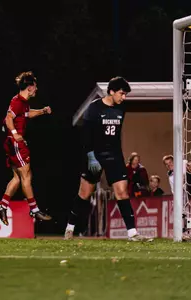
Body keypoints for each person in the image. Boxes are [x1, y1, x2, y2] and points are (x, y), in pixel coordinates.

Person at [64, 76, 152, 241]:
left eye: (125, 94)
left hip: (114, 156)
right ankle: (70, 228)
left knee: (122, 192)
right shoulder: (94, 108)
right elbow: (86, 135)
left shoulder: (121, 109)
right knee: (84, 193)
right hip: (94, 154)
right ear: (111, 91)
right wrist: (91, 156)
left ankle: (132, 233)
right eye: (121, 93)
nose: (123, 97)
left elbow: (115, 136)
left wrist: (118, 157)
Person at [0, 71, 52, 226]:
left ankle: (2, 205)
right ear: (29, 87)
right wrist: (15, 134)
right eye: (35, 86)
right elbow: (8, 118)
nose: (36, 89)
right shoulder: (17, 101)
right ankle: (34, 209)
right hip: (16, 144)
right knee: (27, 176)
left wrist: (42, 111)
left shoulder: (23, 103)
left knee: (18, 178)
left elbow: (27, 114)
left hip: (12, 143)